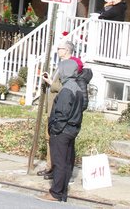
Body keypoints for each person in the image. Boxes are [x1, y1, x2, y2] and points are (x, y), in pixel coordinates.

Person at [37, 59, 88, 203]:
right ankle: (62, 192)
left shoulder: (66, 90)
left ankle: (55, 193)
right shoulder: (76, 87)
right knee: (66, 162)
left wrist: (55, 129)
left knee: (59, 162)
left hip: (62, 131)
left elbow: (62, 113)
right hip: (72, 129)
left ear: (65, 71)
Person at [39, 38, 84, 179]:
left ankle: (56, 171)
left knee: (59, 142)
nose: (58, 51)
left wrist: (50, 83)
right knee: (49, 139)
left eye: (60, 48)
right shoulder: (61, 65)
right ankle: (50, 167)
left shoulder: (71, 67)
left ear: (67, 50)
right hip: (54, 106)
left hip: (62, 110)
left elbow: (67, 88)